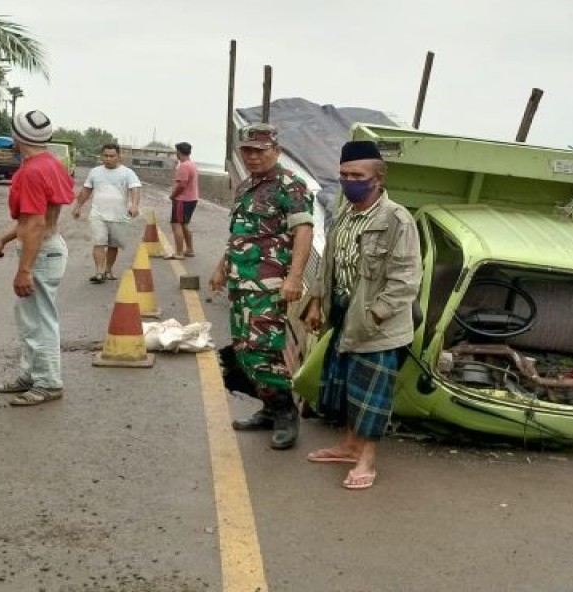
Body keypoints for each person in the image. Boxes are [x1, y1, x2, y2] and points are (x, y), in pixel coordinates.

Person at [303, 140, 421, 490]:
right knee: (346, 389)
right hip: (345, 315)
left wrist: (375, 318)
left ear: (378, 179)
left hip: (378, 325)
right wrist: (316, 302)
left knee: (371, 395)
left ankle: (366, 459)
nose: (348, 180)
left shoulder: (396, 219)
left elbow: (405, 279)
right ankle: (349, 447)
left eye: (357, 175)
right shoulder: (345, 214)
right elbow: (329, 263)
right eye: (343, 174)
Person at [209, 123, 314, 450]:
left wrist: (295, 277)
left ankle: (285, 412)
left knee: (262, 350)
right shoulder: (245, 188)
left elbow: (304, 231)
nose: (253, 156)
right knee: (243, 350)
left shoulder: (290, 186)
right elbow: (240, 235)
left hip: (269, 284)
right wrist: (221, 268)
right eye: (247, 151)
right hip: (242, 284)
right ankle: (269, 409)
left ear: (277, 151)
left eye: (260, 150)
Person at [0, 109, 75, 406]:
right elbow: (32, 221)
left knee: (40, 321)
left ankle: (48, 382)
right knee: (28, 319)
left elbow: (36, 224)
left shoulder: (32, 172)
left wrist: (24, 270)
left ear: (17, 136)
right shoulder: (52, 164)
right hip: (47, 245)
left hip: (41, 250)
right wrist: (3, 238)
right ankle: (30, 375)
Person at [71, 143, 141, 283]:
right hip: (98, 214)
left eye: (111, 156)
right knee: (99, 242)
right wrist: (78, 206)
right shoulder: (95, 172)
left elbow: (135, 189)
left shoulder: (127, 172)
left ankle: (108, 269)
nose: (108, 158)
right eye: (105, 156)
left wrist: (134, 205)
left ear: (118, 156)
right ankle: (99, 272)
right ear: (101, 156)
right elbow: (86, 190)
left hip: (118, 215)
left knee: (113, 245)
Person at [167, 142, 200, 259]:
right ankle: (189, 249)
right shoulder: (192, 164)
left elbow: (181, 185)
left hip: (182, 199)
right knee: (184, 225)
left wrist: (173, 195)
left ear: (178, 152)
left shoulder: (184, 166)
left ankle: (179, 252)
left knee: (176, 225)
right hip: (192, 199)